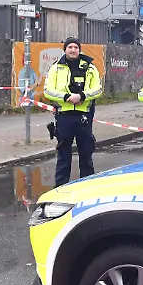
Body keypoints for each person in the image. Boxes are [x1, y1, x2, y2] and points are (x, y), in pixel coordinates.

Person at [43, 37, 103, 187]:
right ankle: (61, 189)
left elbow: (98, 89)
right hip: (64, 116)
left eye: (75, 47)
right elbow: (48, 91)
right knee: (63, 155)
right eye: (70, 47)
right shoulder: (56, 68)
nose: (73, 50)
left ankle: (87, 188)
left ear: (79, 49)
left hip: (84, 116)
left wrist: (82, 96)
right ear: (65, 49)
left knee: (86, 154)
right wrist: (66, 97)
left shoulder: (90, 68)